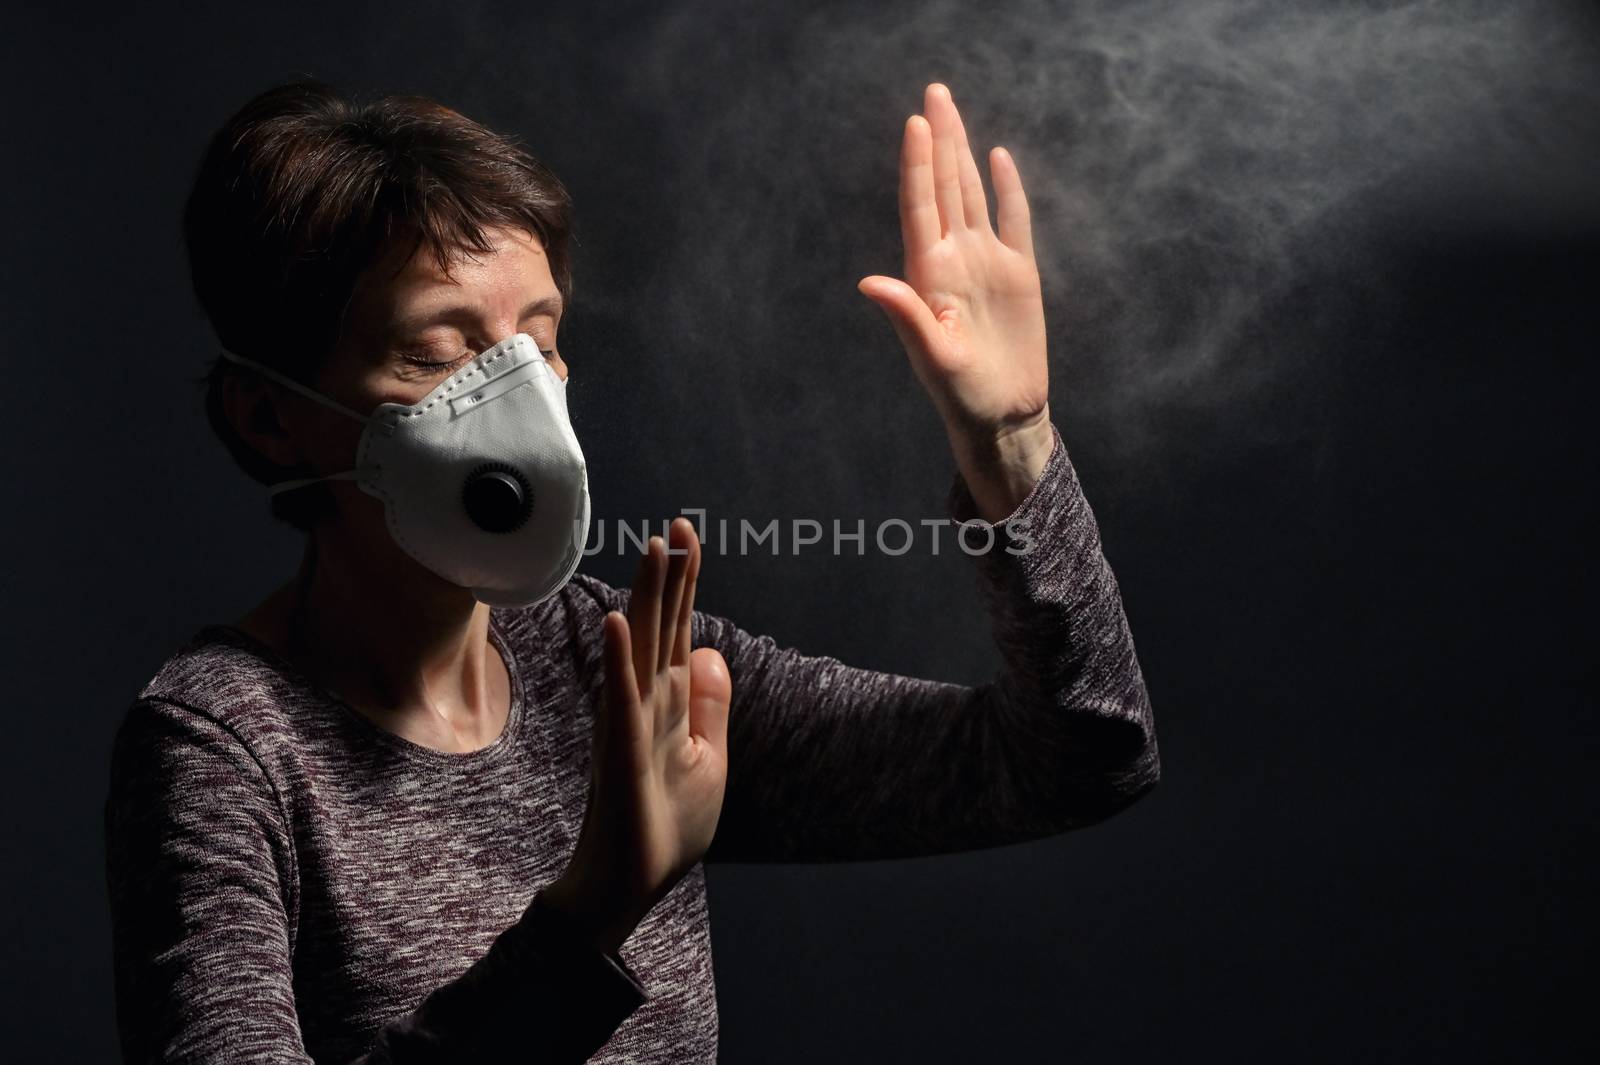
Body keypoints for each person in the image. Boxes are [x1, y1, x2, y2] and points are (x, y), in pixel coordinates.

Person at [102, 76, 1160, 1063]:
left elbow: (1082, 756)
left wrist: (1012, 447)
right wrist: (594, 907)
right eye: (437, 352)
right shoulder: (224, 745)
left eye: (538, 339)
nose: (514, 398)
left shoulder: (622, 663)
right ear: (270, 417)